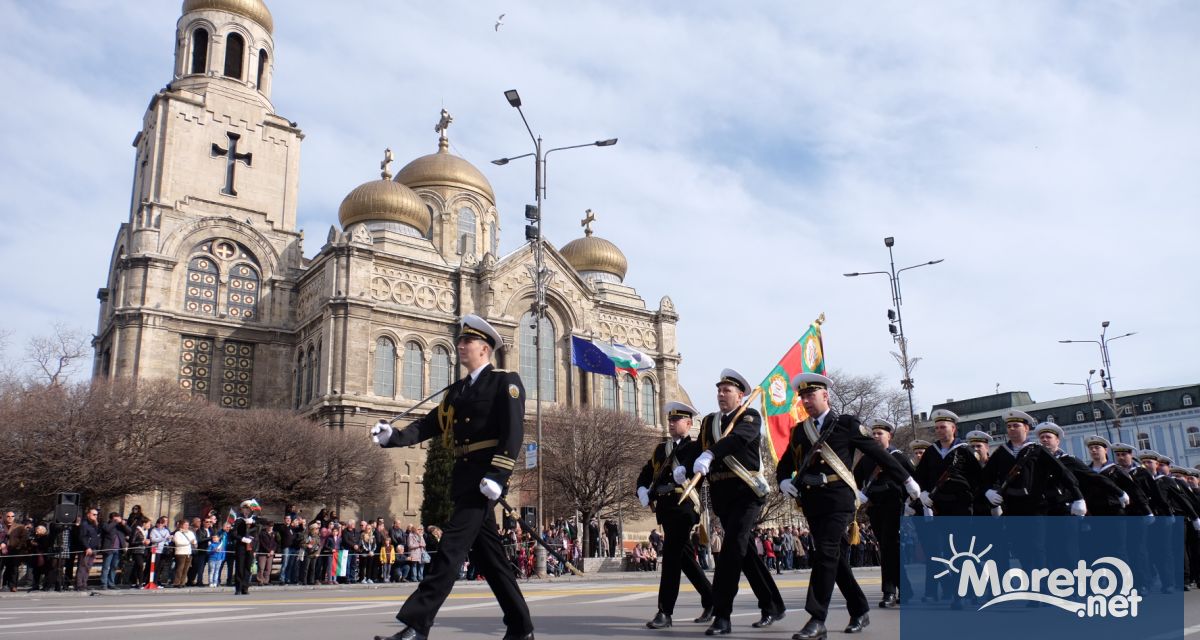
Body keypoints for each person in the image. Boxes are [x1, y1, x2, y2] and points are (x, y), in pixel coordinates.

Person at [370, 314, 533, 640]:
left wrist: (498, 475)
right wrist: (393, 437)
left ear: (484, 348)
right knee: (491, 561)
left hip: (483, 481)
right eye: (460, 340)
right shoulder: (457, 390)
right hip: (465, 479)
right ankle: (521, 627)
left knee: (450, 549)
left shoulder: (505, 382)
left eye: (467, 341)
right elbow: (428, 425)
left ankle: (417, 625)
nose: (460, 345)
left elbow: (513, 432)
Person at [776, 373, 921, 640]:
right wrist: (783, 480)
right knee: (835, 558)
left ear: (825, 395)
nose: (806, 401)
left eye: (810, 395)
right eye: (803, 397)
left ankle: (817, 618)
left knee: (825, 553)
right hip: (812, 501)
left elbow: (878, 453)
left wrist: (906, 479)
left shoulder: (846, 424)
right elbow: (786, 463)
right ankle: (859, 609)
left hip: (838, 499)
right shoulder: (800, 430)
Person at [691, 368, 785, 636]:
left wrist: (711, 453)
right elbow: (698, 451)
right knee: (745, 552)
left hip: (747, 492)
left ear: (740, 395)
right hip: (722, 494)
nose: (721, 394)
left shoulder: (749, 416)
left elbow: (738, 439)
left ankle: (722, 614)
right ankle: (772, 604)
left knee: (732, 549)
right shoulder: (709, 422)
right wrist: (686, 468)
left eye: (727, 390)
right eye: (719, 390)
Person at [636, 400, 714, 629]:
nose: (671, 423)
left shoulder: (695, 447)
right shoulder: (661, 449)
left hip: (685, 506)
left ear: (688, 423)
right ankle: (711, 599)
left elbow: (697, 468)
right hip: (666, 508)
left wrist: (686, 471)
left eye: (676, 419)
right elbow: (646, 473)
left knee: (670, 556)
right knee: (684, 557)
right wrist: (641, 489)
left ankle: (665, 611)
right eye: (670, 420)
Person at [851, 418, 915, 609]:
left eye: (880, 433)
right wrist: (859, 493)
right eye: (874, 434)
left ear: (890, 436)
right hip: (875, 507)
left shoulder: (899, 457)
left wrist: (910, 503)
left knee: (889, 547)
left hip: (894, 506)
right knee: (887, 548)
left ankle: (889, 591)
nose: (876, 436)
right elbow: (855, 479)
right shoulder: (866, 459)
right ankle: (905, 589)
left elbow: (914, 481)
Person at [233, 499, 262, 595]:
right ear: (242, 509)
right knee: (240, 567)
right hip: (241, 546)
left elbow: (258, 532)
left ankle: (245, 587)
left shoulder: (255, 520)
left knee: (248, 567)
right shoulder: (238, 520)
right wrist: (242, 539)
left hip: (251, 546)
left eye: (248, 509)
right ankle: (238, 588)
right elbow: (233, 534)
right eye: (245, 508)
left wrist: (254, 523)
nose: (247, 510)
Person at [75, 508, 101, 591]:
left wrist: (96, 524)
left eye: (96, 515)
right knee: (82, 567)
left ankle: (84, 584)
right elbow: (82, 537)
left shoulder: (94, 524)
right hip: (86, 549)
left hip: (93, 548)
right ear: (88, 514)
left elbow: (96, 535)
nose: (96, 516)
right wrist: (87, 547)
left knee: (88, 567)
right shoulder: (84, 524)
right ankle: (79, 585)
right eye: (94, 514)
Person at [172, 519, 197, 588]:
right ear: (181, 525)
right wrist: (189, 542)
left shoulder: (190, 532)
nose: (187, 526)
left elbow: (194, 540)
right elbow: (178, 542)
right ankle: (177, 582)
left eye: (187, 525)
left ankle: (182, 582)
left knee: (186, 569)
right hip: (180, 552)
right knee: (180, 568)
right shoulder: (178, 533)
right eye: (185, 525)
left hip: (188, 552)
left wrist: (193, 542)